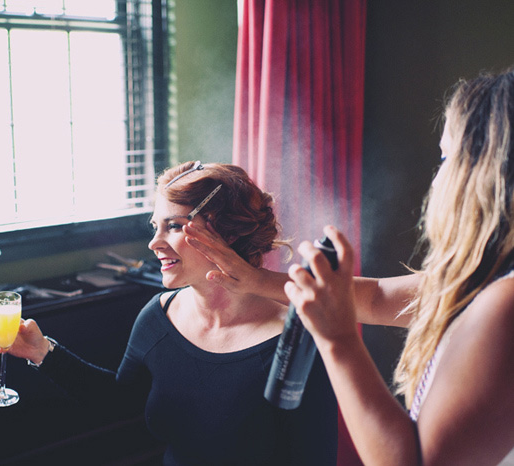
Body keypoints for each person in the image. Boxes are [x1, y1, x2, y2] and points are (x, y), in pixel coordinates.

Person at [184, 68, 514, 465]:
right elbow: (374, 298)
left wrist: (338, 340)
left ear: (486, 172)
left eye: (445, 157)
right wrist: (255, 280)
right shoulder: (487, 280)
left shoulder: (505, 303)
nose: (437, 177)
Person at [0, 161, 339, 465]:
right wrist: (41, 351)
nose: (154, 243)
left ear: (224, 234)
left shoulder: (295, 342)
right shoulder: (158, 315)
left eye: (173, 226)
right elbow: (120, 402)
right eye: (155, 226)